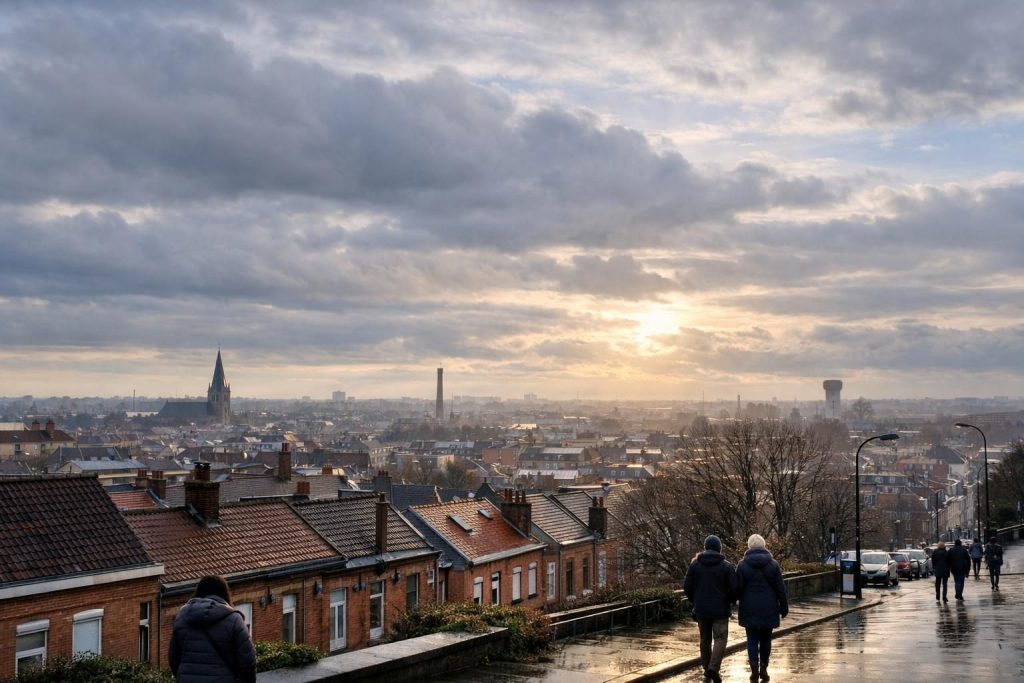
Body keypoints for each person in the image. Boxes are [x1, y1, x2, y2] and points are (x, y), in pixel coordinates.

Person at [169, 575, 257, 683]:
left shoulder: (182, 618)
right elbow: (248, 661)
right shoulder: (234, 620)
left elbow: (173, 658)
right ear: (225, 593)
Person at [683, 535, 738, 683]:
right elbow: (735, 588)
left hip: (701, 609)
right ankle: (713, 668)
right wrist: (729, 601)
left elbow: (687, 586)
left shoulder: (695, 565)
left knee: (704, 639)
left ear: (705, 548)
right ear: (719, 548)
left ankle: (707, 668)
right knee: (720, 638)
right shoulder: (726, 566)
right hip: (720, 610)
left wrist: (695, 601)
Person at [736, 534, 788, 683]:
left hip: (749, 607)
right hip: (769, 607)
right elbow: (780, 588)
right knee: (766, 639)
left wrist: (734, 600)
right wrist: (784, 607)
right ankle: (764, 666)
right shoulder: (773, 564)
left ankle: (754, 668)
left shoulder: (742, 565)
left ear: (749, 546)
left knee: (751, 639)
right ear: (764, 546)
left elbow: (737, 588)